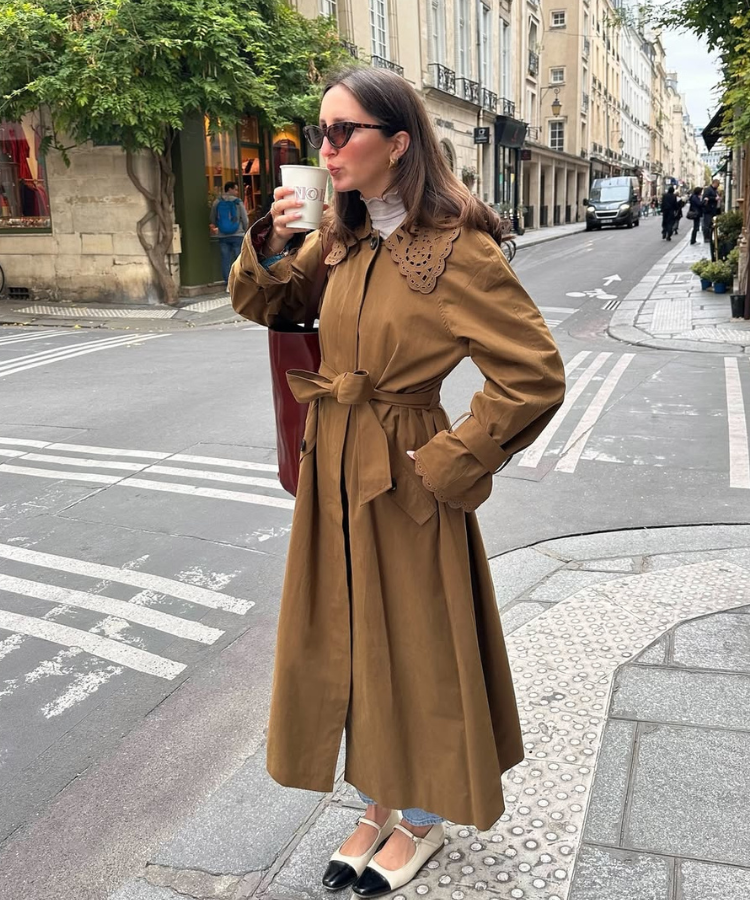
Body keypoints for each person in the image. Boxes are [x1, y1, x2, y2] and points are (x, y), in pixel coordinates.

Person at [229, 66, 566, 897]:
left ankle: (421, 818)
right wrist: (270, 244)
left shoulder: (458, 248)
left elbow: (533, 373)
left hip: (406, 473)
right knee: (348, 638)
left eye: (344, 132)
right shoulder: (339, 239)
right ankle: (379, 799)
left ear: (399, 142)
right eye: (321, 133)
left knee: (416, 645)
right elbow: (264, 305)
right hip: (331, 467)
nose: (327, 149)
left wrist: (450, 462)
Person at [210, 181, 249, 287]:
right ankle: (240, 281)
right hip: (237, 234)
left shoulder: (217, 202)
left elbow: (212, 219)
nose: (236, 192)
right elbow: (245, 219)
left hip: (223, 235)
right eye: (235, 189)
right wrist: (245, 230)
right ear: (230, 189)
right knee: (239, 258)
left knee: (225, 259)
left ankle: (228, 283)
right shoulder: (238, 202)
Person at [702, 177, 721, 259]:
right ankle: (707, 237)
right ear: (714, 183)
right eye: (718, 184)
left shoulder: (714, 190)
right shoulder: (708, 190)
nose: (718, 186)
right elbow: (705, 198)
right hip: (708, 210)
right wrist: (714, 199)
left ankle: (709, 236)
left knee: (711, 224)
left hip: (712, 210)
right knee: (707, 224)